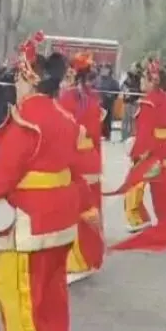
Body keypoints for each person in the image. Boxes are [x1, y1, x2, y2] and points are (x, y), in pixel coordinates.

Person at [0, 31, 96, 331]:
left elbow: (4, 172)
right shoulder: (65, 118)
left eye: (18, 79)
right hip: (61, 219)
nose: (15, 85)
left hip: (30, 218)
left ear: (29, 80)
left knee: (14, 287)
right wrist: (85, 208)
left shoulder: (26, 119)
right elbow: (77, 170)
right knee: (50, 289)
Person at [124, 59, 166, 231]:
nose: (140, 81)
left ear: (152, 82)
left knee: (134, 189)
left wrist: (136, 154)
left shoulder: (148, 103)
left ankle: (140, 219)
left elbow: (145, 132)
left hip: (153, 154)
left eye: (143, 78)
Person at [57, 52, 105, 284]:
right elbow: (95, 136)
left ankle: (79, 260)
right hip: (90, 158)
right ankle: (90, 256)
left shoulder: (67, 98)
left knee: (76, 211)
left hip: (75, 159)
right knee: (90, 209)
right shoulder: (92, 99)